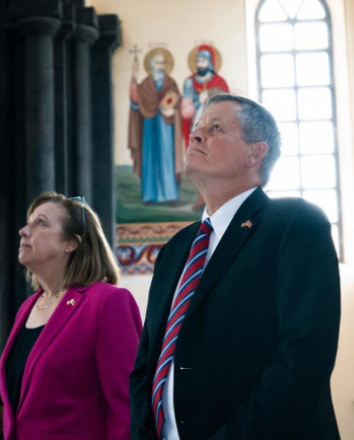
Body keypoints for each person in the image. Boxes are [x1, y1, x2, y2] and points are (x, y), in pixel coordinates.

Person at [130, 94, 341, 439]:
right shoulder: (175, 249)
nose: (196, 135)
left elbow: (302, 358)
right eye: (197, 127)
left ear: (255, 153)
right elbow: (145, 365)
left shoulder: (294, 224)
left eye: (215, 128)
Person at [0, 192, 143, 440]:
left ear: (71, 243)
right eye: (28, 222)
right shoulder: (27, 307)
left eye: (40, 223)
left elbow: (127, 406)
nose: (23, 231)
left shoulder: (106, 302)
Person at [129, 48, 184, 204]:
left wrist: (172, 110)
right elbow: (136, 103)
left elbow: (176, 103)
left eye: (163, 63)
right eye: (158, 63)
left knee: (167, 158)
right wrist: (133, 81)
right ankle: (149, 195)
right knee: (149, 158)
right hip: (149, 125)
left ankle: (170, 195)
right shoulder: (145, 85)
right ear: (151, 65)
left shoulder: (171, 84)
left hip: (166, 126)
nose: (161, 66)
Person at [180, 44, 230, 147]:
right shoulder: (190, 82)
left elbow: (227, 107)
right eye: (198, 61)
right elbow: (185, 113)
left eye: (203, 61)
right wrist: (199, 102)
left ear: (210, 62)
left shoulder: (219, 82)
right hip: (195, 127)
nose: (200, 64)